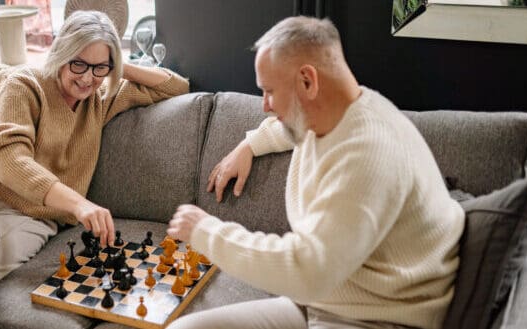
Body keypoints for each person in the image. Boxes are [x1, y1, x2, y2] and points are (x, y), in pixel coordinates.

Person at [167, 16, 463, 329]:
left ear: (308, 81)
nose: (265, 105)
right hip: (322, 303)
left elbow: (308, 272)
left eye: (269, 91)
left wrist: (206, 231)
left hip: (376, 318)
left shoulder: (368, 152)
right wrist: (248, 146)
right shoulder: (328, 113)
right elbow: (286, 129)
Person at [0, 10, 189, 329]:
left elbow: (175, 87)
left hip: (31, 218)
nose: (86, 77)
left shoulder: (101, 95)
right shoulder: (25, 84)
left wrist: (114, 66)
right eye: (78, 63)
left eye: (98, 67)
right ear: (60, 54)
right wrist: (79, 204)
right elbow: (10, 160)